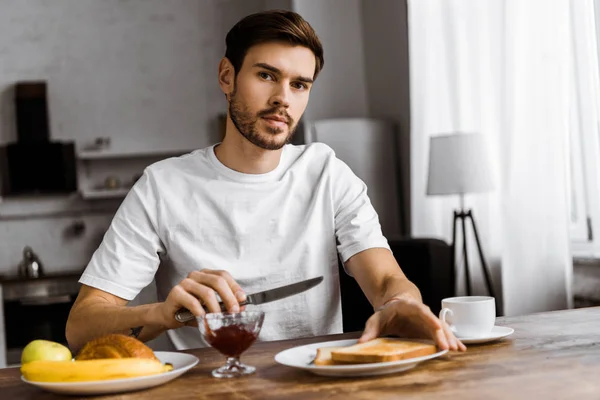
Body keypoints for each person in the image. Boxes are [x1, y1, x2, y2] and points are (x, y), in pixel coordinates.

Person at [65, 10, 466, 353]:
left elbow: (385, 280)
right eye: (266, 75)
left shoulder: (326, 172)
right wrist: (161, 314)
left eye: (299, 84)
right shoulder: (162, 186)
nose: (283, 98)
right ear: (227, 76)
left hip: (314, 384)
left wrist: (399, 302)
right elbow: (81, 329)